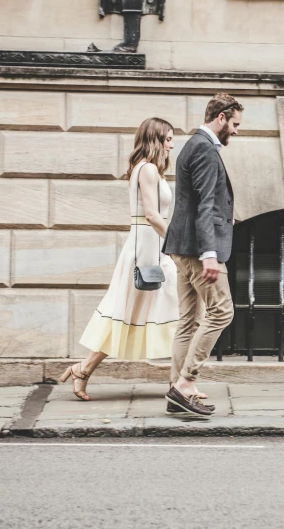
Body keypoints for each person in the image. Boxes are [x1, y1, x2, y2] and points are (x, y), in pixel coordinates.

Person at [60, 117, 180, 401]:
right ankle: (182, 383)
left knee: (137, 314)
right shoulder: (148, 169)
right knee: (146, 312)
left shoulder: (145, 169)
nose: (172, 145)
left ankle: (83, 369)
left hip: (149, 247)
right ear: (156, 139)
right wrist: (176, 244)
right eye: (169, 139)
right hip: (148, 250)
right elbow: (151, 215)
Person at [163, 93, 243, 416]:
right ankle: (186, 382)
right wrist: (210, 253)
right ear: (220, 118)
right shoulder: (206, 151)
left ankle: (176, 389)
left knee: (189, 320)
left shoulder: (192, 145)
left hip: (181, 247)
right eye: (235, 124)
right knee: (222, 311)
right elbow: (206, 206)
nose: (236, 131)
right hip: (198, 250)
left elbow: (195, 202)